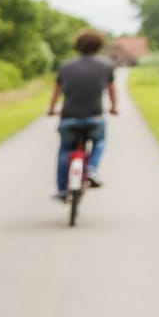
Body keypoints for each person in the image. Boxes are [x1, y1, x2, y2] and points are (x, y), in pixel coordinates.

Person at [48, 28, 120, 200]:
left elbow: (56, 92)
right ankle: (92, 169)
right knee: (100, 140)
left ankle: (62, 190)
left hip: (68, 118)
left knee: (65, 150)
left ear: (77, 46)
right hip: (94, 117)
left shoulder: (65, 67)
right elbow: (111, 91)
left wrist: (51, 109)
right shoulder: (105, 66)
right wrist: (114, 107)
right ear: (99, 46)